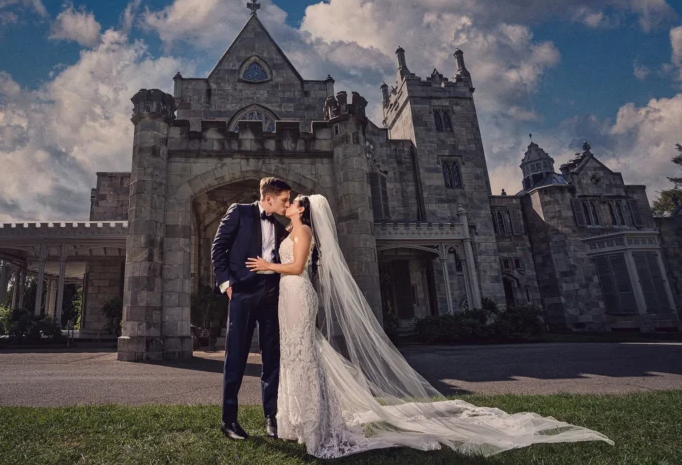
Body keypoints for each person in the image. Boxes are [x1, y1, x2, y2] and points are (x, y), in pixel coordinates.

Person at [246, 194, 614, 458]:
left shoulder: (305, 232)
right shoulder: (287, 231)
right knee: (293, 355)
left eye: (295, 201)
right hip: (285, 296)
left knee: (306, 354)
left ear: (304, 211)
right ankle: (295, 419)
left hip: (297, 291)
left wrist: (267, 268)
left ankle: (318, 423)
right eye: (289, 201)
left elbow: (296, 269)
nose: (290, 202)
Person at [212, 177, 291, 440]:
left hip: (271, 294)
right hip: (243, 293)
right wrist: (227, 285)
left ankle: (272, 418)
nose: (287, 204)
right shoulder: (239, 212)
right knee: (236, 356)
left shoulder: (280, 226)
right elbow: (218, 248)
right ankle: (229, 421)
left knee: (272, 356)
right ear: (269, 198)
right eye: (284, 200)